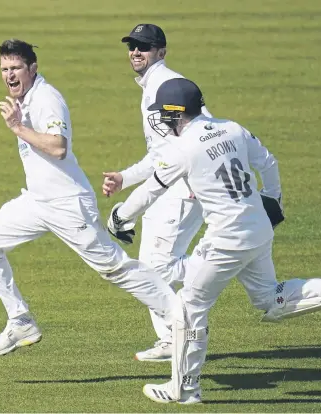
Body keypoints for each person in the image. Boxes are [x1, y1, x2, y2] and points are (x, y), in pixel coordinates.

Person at [107, 78, 321, 404]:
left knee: (187, 308)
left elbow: (150, 190)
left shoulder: (183, 148)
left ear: (176, 114)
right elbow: (268, 162)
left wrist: (119, 217)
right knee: (269, 298)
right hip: (259, 228)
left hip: (226, 240)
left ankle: (183, 389)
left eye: (165, 116)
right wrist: (273, 200)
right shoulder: (232, 128)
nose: (163, 123)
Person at [0, 39, 176, 357]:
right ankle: (20, 320)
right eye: (4, 69)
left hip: (68, 204)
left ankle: (179, 321)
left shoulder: (46, 99)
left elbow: (57, 147)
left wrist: (17, 127)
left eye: (16, 68)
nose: (9, 75)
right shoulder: (24, 98)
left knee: (115, 269)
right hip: (37, 202)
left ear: (33, 69)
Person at [102, 23, 212, 363]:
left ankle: (221, 264)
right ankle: (172, 336)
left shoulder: (169, 85)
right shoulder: (153, 87)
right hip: (171, 185)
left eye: (144, 46)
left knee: (154, 269)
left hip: (182, 189)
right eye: (132, 45)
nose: (136, 51)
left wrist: (197, 180)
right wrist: (126, 177)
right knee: (153, 266)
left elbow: (204, 132)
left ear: (161, 52)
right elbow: (159, 152)